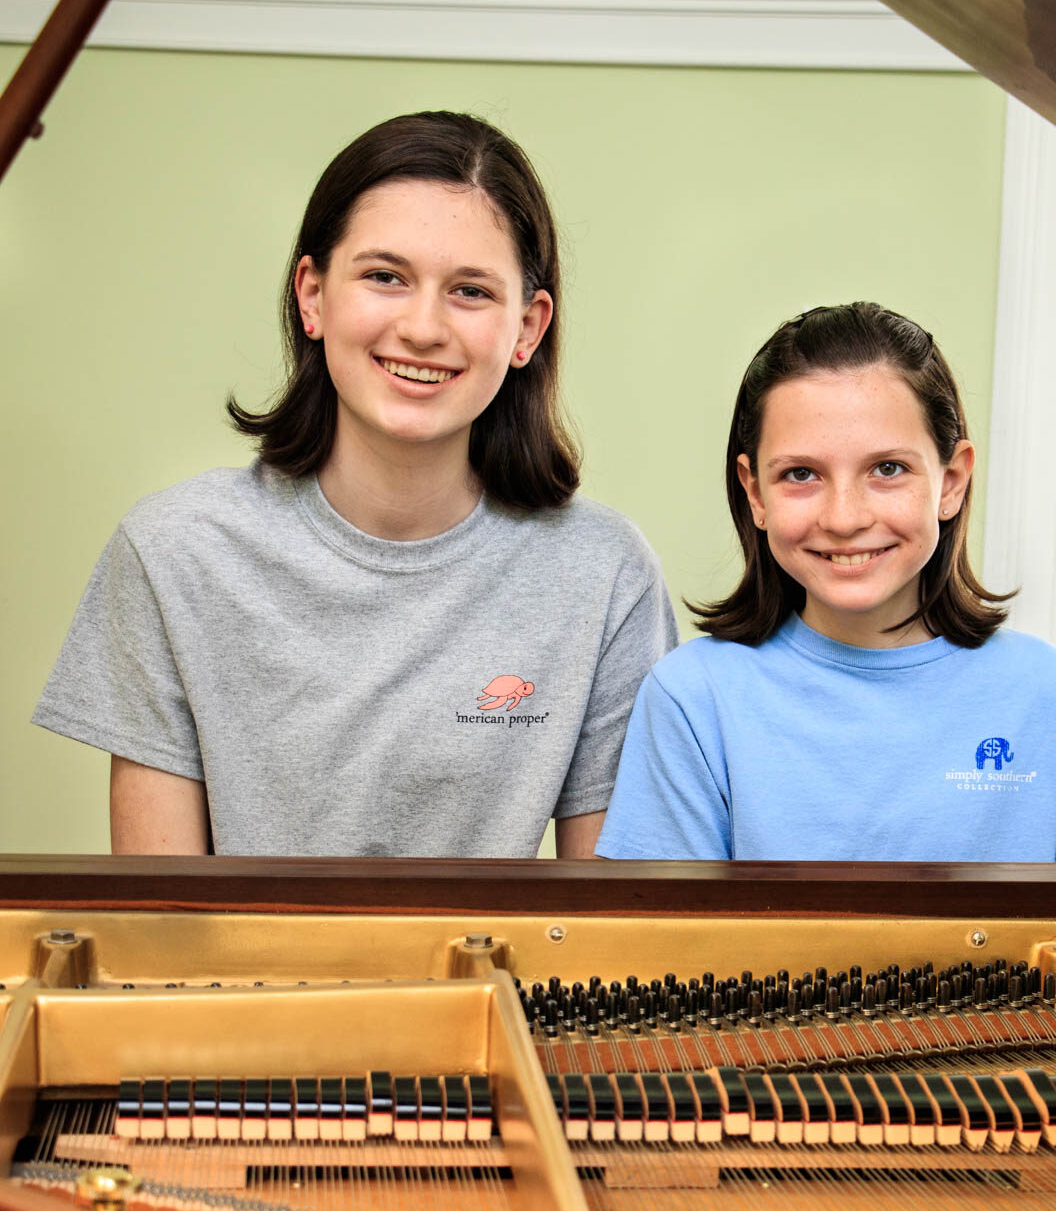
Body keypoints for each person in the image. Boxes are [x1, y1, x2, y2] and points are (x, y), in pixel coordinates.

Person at [33, 111, 676, 857]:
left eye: (470, 291)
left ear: (527, 329)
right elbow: (164, 927)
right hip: (234, 979)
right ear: (312, 296)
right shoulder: (174, 552)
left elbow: (601, 927)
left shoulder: (604, 574)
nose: (423, 328)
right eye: (384, 277)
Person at [597, 302, 1056, 863]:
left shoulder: (1055, 698)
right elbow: (660, 938)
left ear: (951, 482)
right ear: (755, 492)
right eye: (800, 474)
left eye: (887, 469)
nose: (845, 517)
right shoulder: (692, 699)